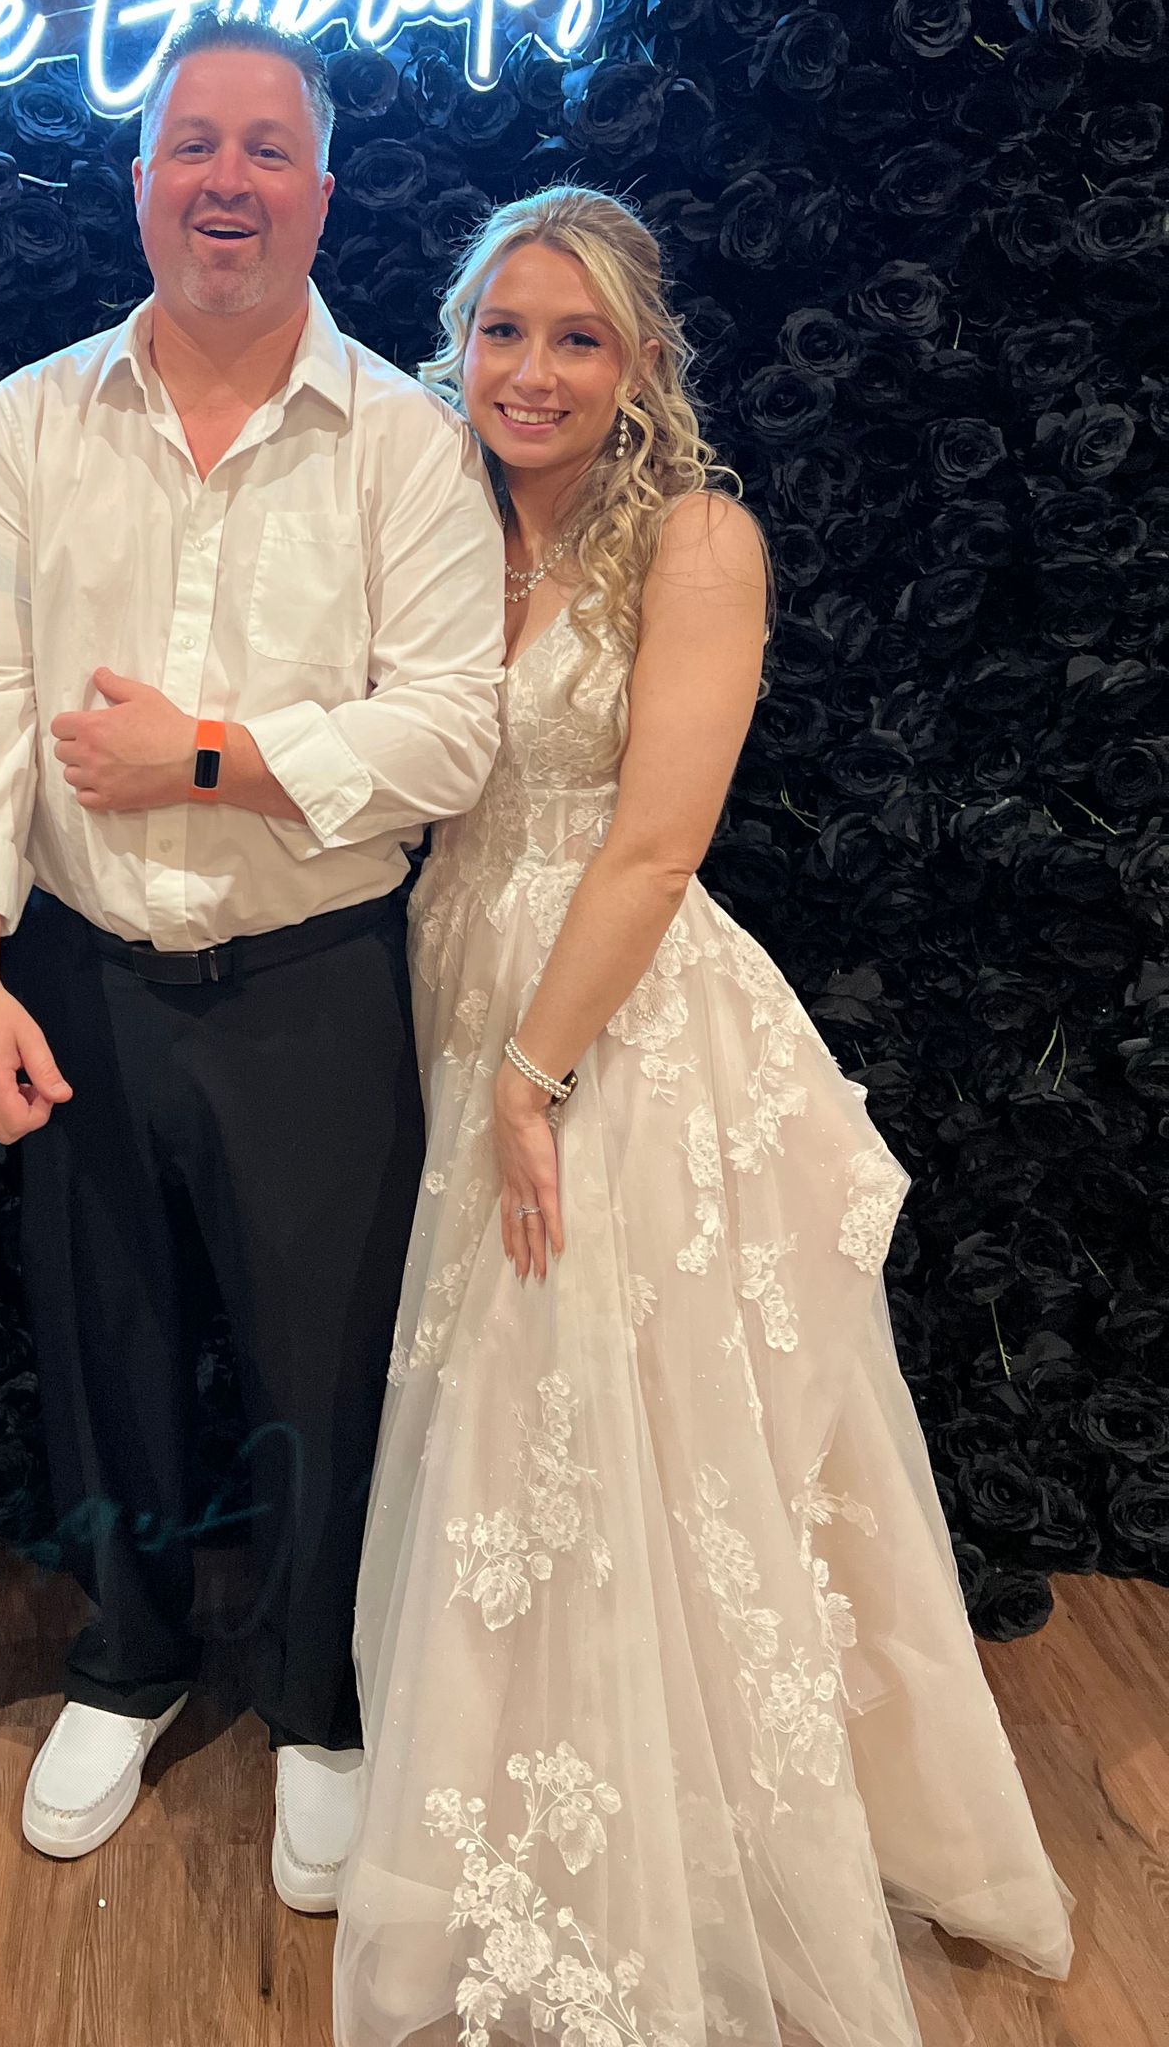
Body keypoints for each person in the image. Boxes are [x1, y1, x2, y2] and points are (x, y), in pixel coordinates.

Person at [334, 188, 1073, 2045]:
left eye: (576, 337)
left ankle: (684, 1847)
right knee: (503, 1433)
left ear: (641, 362)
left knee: (624, 1424)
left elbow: (659, 840)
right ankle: (494, 1794)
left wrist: (533, 1072)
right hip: (446, 981)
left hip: (614, 1024)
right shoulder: (430, 521)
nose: (532, 368)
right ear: (459, 341)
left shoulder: (697, 540)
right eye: (504, 329)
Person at [0, 13, 503, 1909]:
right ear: (141, 179)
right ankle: (131, 1660)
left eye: (265, 147)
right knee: (106, 1344)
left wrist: (209, 756)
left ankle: (318, 1699)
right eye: (190, 143)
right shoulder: (36, 421)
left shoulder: (407, 437)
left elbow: (452, 733)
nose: (224, 177)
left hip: (315, 988)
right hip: (76, 974)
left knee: (328, 1363)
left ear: (323, 189)